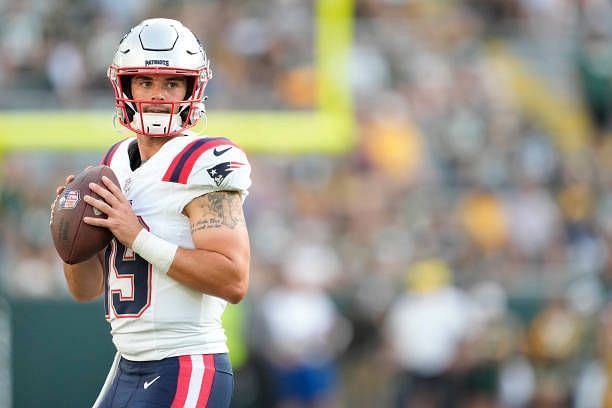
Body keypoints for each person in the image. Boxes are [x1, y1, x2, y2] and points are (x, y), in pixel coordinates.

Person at [53, 18, 251, 407]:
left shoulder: (203, 160)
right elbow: (85, 290)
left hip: (187, 361)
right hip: (127, 364)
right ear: (124, 86)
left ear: (192, 89)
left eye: (171, 83)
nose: (157, 95)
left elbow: (233, 279)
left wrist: (137, 236)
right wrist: (71, 237)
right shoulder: (114, 163)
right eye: (145, 82)